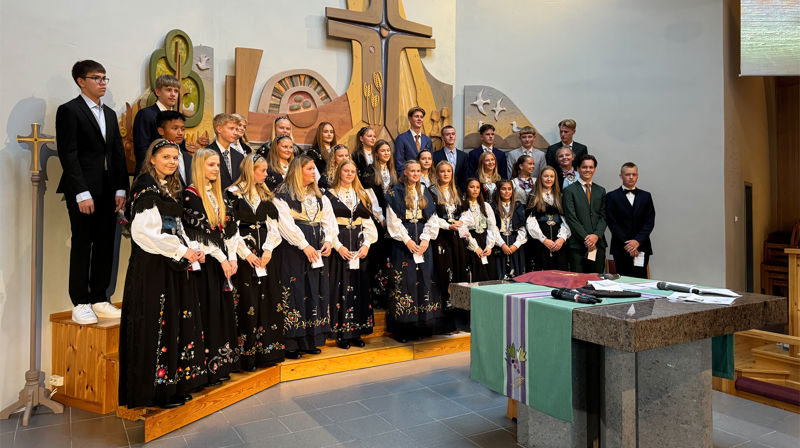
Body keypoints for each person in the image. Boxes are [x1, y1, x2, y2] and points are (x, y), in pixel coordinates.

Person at [119, 139, 206, 409]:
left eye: (175, 158)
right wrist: (181, 250)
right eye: (166, 157)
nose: (171, 162)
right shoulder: (146, 188)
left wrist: (192, 249)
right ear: (152, 159)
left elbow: (175, 226)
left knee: (172, 325)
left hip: (169, 263)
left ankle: (171, 386)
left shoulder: (168, 187)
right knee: (156, 326)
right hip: (152, 267)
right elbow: (144, 234)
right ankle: (154, 392)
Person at [56, 60, 129, 324]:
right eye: (96, 78)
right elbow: (68, 153)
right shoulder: (69, 110)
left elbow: (117, 153)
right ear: (81, 81)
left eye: (104, 78)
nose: (102, 83)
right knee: (82, 242)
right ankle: (80, 302)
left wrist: (120, 187)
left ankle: (99, 298)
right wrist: (81, 192)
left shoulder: (108, 113)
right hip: (83, 190)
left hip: (108, 189)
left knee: (105, 243)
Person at [182, 148, 240, 384]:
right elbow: (197, 235)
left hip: (222, 264)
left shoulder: (220, 195)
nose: (216, 169)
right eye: (211, 165)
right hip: (206, 265)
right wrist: (221, 257)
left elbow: (231, 228)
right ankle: (207, 369)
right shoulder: (190, 196)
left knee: (222, 312)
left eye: (217, 165)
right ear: (199, 166)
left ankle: (222, 365)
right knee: (207, 312)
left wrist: (232, 256)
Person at [273, 156, 337, 359]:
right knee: (296, 290)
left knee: (315, 290)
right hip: (294, 250)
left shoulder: (320, 195)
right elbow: (286, 225)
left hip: (317, 247)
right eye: (309, 169)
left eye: (314, 169)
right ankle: (292, 342)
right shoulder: (282, 195)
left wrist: (329, 241)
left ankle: (311, 339)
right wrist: (304, 245)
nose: (313, 172)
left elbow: (329, 220)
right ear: (298, 171)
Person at [226, 154, 285, 370]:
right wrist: (246, 254)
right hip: (245, 259)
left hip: (265, 258)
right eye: (262, 170)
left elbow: (273, 227)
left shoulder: (265, 195)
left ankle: (267, 353)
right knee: (247, 303)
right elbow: (230, 229)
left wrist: (268, 249)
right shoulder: (233, 194)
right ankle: (247, 356)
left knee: (268, 300)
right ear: (251, 171)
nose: (266, 174)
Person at [385, 160, 440, 343]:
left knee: (424, 281)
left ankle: (422, 325)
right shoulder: (395, 192)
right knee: (404, 282)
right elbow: (393, 220)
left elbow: (432, 218)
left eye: (418, 171)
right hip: (403, 243)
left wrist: (426, 239)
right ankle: (403, 329)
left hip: (423, 241)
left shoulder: (424, 190)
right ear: (405, 172)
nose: (416, 174)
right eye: (412, 171)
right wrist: (407, 240)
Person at [326, 159, 378, 349]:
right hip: (340, 247)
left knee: (359, 287)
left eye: (352, 171)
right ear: (339, 172)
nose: (349, 174)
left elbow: (369, 224)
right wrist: (338, 246)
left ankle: (357, 331)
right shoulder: (329, 195)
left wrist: (367, 245)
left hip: (358, 245)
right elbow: (327, 225)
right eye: (346, 170)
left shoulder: (361, 195)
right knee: (339, 288)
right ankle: (341, 333)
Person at [428, 161, 468, 332]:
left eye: (449, 171)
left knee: (459, 272)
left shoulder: (456, 190)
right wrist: (447, 225)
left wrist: (461, 222)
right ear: (437, 174)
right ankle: (444, 320)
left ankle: (460, 318)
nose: (446, 174)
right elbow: (431, 216)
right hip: (441, 237)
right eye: (442, 171)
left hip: (456, 237)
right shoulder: (431, 191)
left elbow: (465, 212)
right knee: (445, 274)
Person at [361, 140, 397, 309]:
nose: (386, 153)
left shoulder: (393, 171)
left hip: (392, 218)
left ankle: (390, 295)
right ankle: (377, 296)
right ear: (376, 153)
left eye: (388, 150)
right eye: (383, 150)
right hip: (377, 219)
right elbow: (370, 197)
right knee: (378, 256)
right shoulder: (370, 171)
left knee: (391, 256)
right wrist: (381, 217)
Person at [605, 162, 655, 278]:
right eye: (627, 174)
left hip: (642, 246)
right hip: (621, 247)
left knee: (641, 281)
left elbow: (649, 221)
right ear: (621, 176)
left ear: (637, 176)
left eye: (634, 174)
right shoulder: (611, 196)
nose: (631, 177)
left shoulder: (646, 196)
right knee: (623, 280)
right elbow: (612, 223)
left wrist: (637, 241)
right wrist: (629, 244)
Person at [562, 154, 607, 273]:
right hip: (577, 245)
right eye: (584, 167)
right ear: (578, 168)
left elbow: (604, 217)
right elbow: (571, 218)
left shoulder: (601, 190)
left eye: (591, 167)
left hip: (598, 244)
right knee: (578, 281)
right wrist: (587, 239)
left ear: (594, 169)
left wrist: (596, 236)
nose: (588, 170)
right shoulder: (569, 191)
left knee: (597, 280)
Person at [525, 166, 571, 271]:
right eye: (546, 176)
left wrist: (562, 238)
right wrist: (544, 240)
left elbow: (566, 220)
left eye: (551, 176)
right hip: (540, 241)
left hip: (558, 241)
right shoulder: (533, 196)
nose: (549, 179)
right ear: (540, 178)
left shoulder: (560, 197)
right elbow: (530, 222)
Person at [132, 74, 180, 174]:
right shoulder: (145, 114)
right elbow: (142, 150)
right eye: (168, 90)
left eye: (176, 91)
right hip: (150, 173)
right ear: (158, 92)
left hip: (174, 175)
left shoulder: (178, 118)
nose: (173, 94)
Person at [459, 178, 499, 281]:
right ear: (467, 189)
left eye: (477, 187)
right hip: (470, 242)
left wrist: (489, 246)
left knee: (490, 274)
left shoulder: (485, 206)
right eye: (472, 187)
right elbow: (463, 229)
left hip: (485, 240)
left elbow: (492, 226)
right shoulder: (462, 206)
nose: (475, 190)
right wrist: (475, 247)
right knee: (476, 274)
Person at [493, 180, 527, 279]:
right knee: (500, 274)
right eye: (503, 189)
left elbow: (522, 228)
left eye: (509, 189)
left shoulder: (518, 206)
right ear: (498, 191)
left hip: (515, 242)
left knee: (516, 274)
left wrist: (516, 245)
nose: (507, 192)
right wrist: (502, 244)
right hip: (500, 242)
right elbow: (493, 228)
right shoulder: (493, 207)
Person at [208, 113, 245, 191]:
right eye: (231, 129)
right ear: (219, 129)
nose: (235, 133)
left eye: (236, 129)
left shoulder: (239, 156)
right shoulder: (206, 153)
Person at [155, 111, 193, 186]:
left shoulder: (189, 158)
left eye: (183, 129)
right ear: (161, 131)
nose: (180, 133)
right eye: (175, 128)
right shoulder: (154, 156)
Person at [394, 107, 432, 173]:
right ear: (410, 118)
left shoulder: (427, 140)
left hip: (425, 176)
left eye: (421, 117)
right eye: (416, 116)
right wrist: (405, 177)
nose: (419, 119)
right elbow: (399, 163)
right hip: (408, 177)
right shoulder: (401, 138)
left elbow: (430, 162)